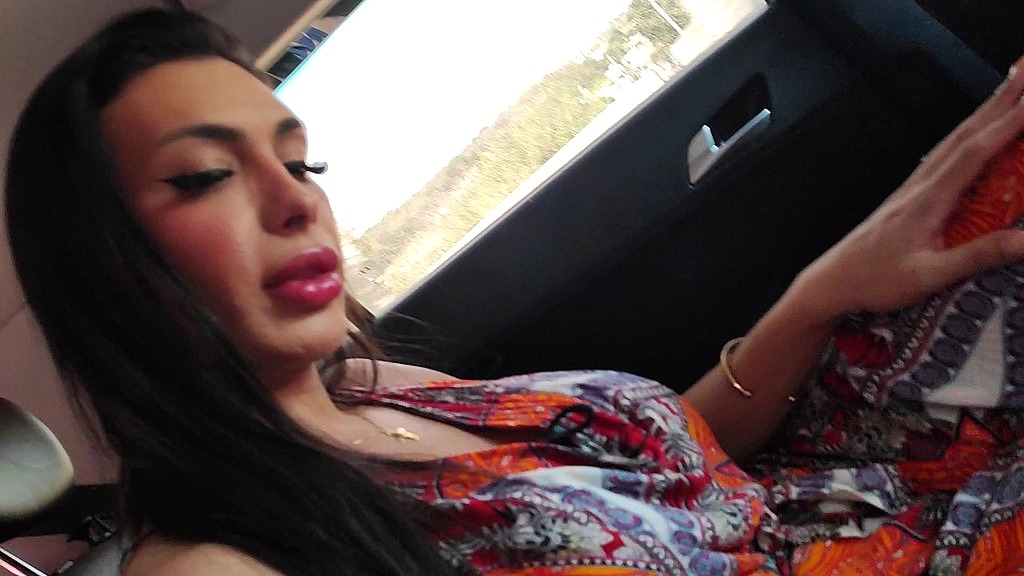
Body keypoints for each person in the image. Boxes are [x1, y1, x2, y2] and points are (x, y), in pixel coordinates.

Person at [5, 7, 1024, 576]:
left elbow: (679, 471)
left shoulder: (376, 391)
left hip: (862, 497)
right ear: (106, 266)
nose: (296, 201)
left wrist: (822, 292)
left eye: (300, 161)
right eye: (205, 176)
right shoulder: (212, 561)